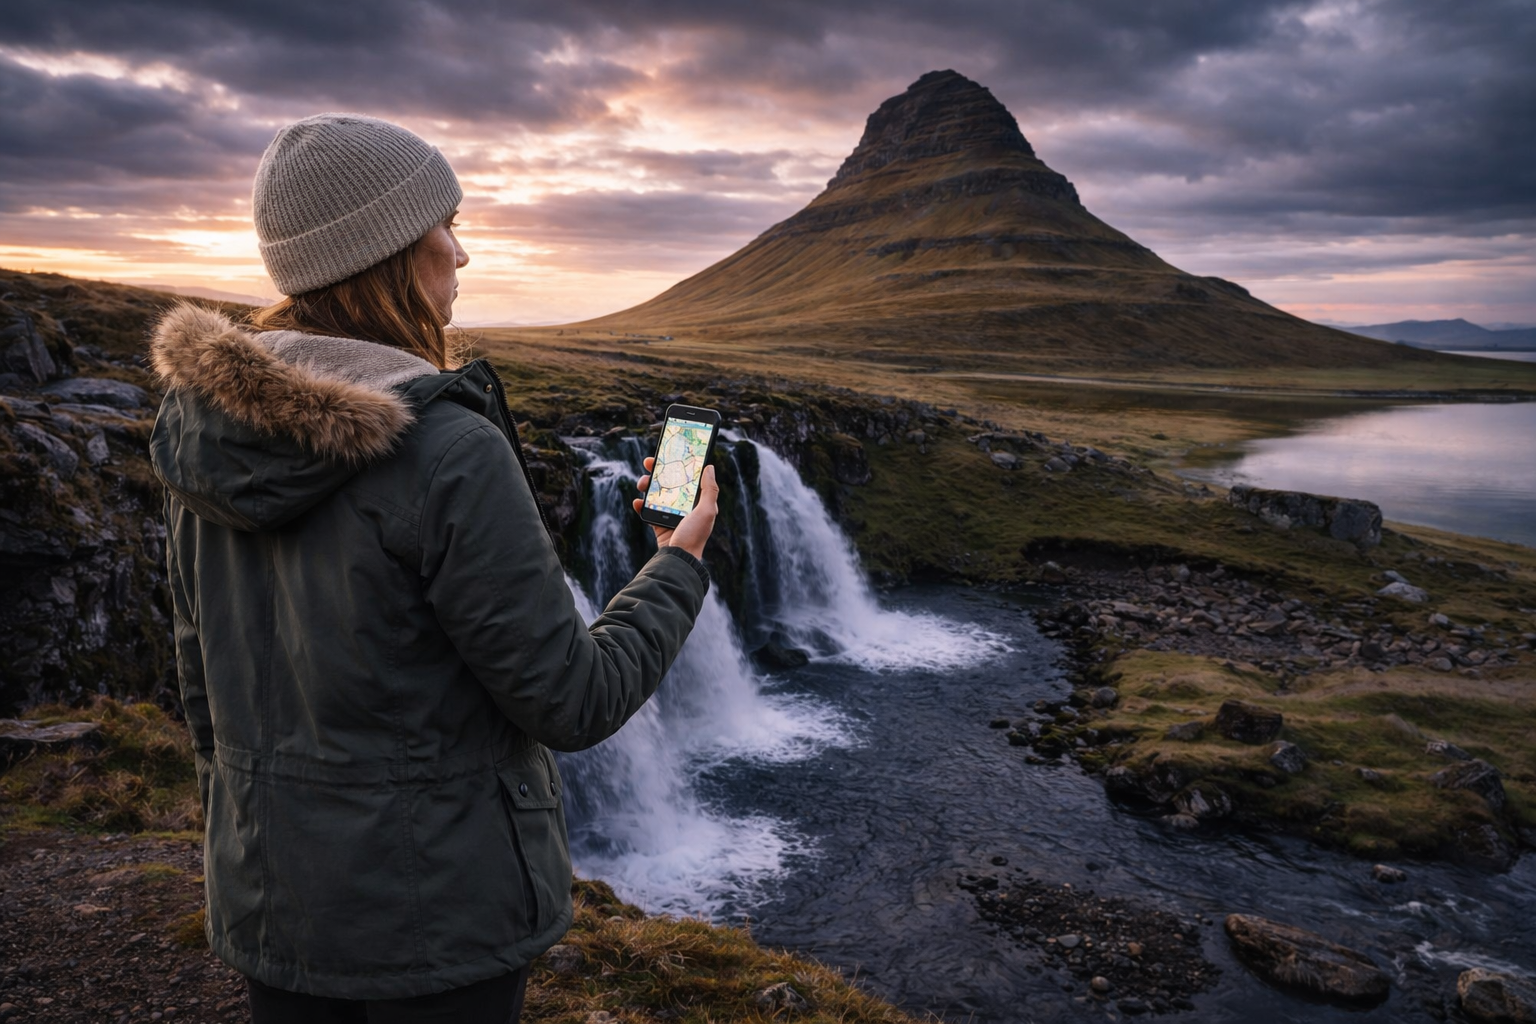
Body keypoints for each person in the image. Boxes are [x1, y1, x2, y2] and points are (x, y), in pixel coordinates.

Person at [148, 113, 719, 1023]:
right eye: (445, 227)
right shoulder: (446, 448)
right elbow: (574, 700)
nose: (462, 253)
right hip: (442, 922)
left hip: (272, 900)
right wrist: (677, 561)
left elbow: (201, 690)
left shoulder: (200, 433)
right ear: (386, 253)